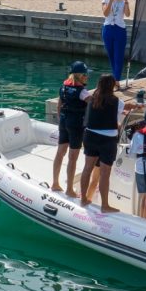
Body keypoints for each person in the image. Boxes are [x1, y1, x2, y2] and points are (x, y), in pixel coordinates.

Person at [80, 74, 134, 213]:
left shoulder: (92, 99)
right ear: (111, 86)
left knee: (87, 168)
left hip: (90, 136)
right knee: (105, 174)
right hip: (107, 141)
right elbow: (124, 109)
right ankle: (105, 205)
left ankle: (83, 199)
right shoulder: (116, 101)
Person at [52, 61, 92, 197]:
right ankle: (69, 189)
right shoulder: (83, 92)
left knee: (60, 152)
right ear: (79, 75)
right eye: (85, 75)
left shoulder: (63, 86)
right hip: (75, 125)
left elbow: (59, 106)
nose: (87, 77)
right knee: (72, 157)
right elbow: (94, 104)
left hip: (63, 121)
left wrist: (62, 119)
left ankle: (55, 183)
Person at [102, 0, 131, 80]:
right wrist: (111, 0)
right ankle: (115, 79)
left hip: (120, 29)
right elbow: (105, 13)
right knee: (111, 56)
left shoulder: (123, 1)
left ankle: (117, 80)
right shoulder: (106, 0)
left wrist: (126, 1)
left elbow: (127, 14)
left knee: (119, 56)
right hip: (108, 29)